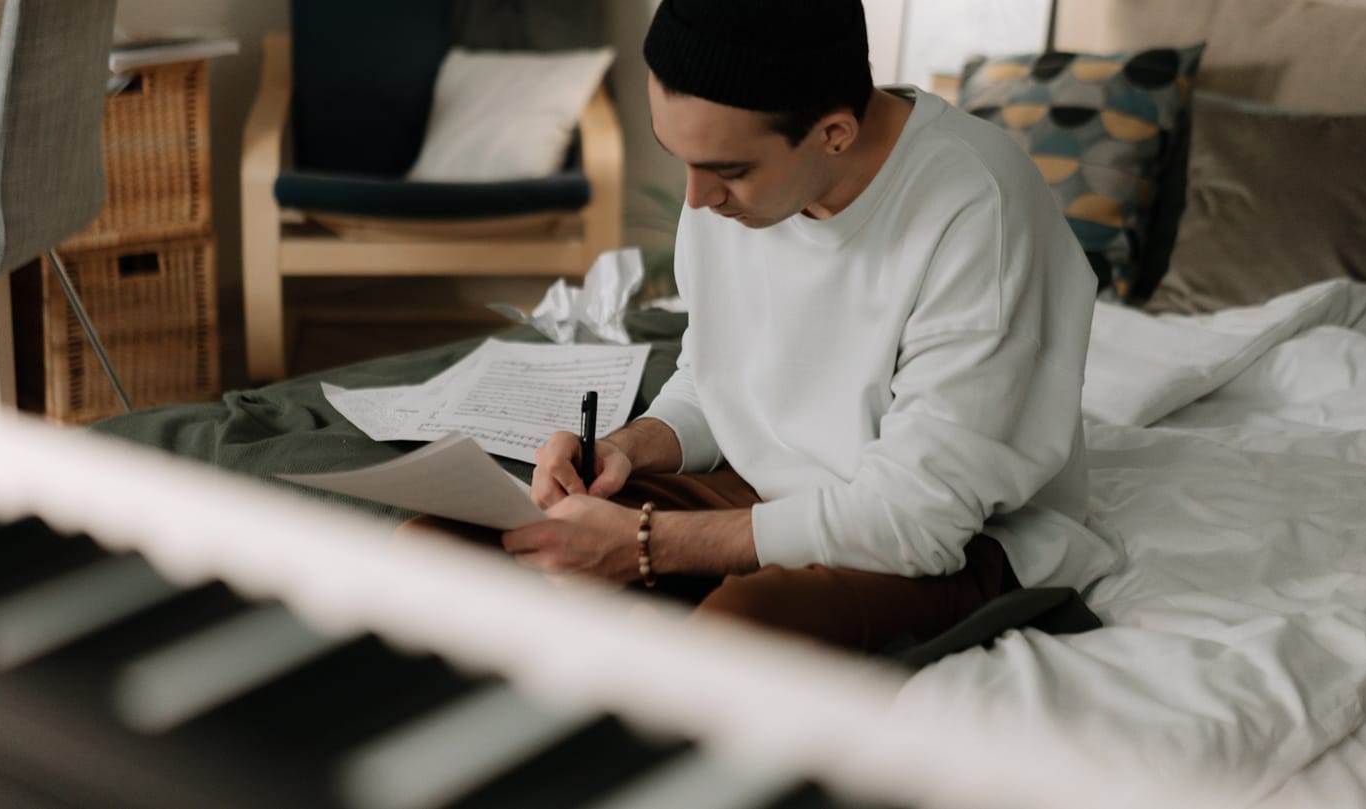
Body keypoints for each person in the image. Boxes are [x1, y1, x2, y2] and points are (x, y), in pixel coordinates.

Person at [475, 0, 1121, 653]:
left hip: (950, 538)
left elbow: (917, 519)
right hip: (770, 496)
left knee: (738, 631)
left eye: (729, 171)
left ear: (834, 133)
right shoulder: (730, 184)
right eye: (680, 157)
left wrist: (646, 543)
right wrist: (624, 450)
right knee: (477, 542)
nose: (696, 199)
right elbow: (715, 376)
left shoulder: (980, 211)